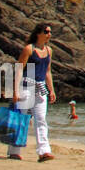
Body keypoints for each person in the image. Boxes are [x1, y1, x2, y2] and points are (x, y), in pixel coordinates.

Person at [9, 23, 56, 161]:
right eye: (46, 31)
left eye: (50, 32)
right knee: (22, 119)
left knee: (41, 119)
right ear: (38, 33)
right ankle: (14, 151)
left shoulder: (49, 50)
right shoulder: (29, 49)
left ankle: (44, 151)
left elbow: (48, 71)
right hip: (26, 87)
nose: (49, 34)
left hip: (40, 88)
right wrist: (16, 91)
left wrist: (51, 90)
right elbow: (19, 69)